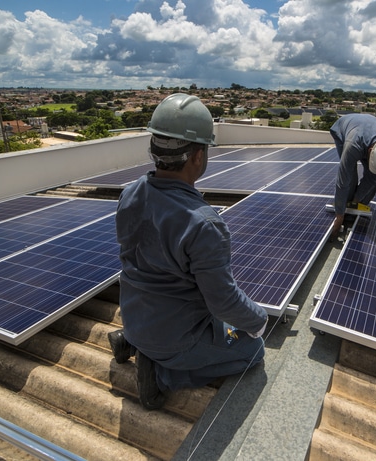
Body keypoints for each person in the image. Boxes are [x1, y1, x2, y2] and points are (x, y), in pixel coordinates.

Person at [108, 93, 268, 410]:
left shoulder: (130, 193)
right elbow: (223, 301)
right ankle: (162, 375)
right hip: (175, 337)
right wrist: (258, 320)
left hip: (135, 317)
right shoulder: (203, 224)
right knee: (252, 350)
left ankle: (133, 342)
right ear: (197, 157)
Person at [329, 113, 376, 236]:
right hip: (343, 129)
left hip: (367, 132)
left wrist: (357, 201)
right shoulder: (353, 145)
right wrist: (339, 214)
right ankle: (345, 209)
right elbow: (342, 182)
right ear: (370, 151)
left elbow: (372, 178)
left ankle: (355, 206)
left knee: (374, 180)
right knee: (350, 176)